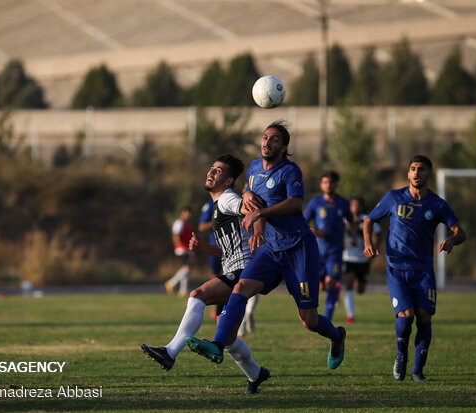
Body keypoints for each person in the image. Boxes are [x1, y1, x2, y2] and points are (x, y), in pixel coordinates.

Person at [186, 120, 346, 371]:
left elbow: (295, 204)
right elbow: (250, 190)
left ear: (283, 147)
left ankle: (337, 337)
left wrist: (262, 215)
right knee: (239, 288)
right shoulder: (252, 167)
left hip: (299, 248)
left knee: (309, 320)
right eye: (264, 137)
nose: (267, 142)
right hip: (272, 250)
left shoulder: (290, 171)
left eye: (274, 139)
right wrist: (247, 194)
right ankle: (217, 345)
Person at [142, 154, 271, 394]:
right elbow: (226, 250)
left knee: (197, 294)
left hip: (242, 272)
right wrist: (203, 248)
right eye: (211, 168)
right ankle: (256, 374)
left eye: (218, 171)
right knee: (229, 340)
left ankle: (170, 352)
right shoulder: (217, 205)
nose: (211, 172)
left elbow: (244, 206)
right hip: (237, 269)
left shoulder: (227, 199)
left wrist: (247, 197)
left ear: (229, 180)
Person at [363, 155, 466, 382]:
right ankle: (401, 355)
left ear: (429, 173)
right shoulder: (393, 197)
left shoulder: (437, 204)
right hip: (397, 269)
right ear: (408, 174)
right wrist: (368, 243)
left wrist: (451, 240)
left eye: (421, 169)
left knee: (425, 317)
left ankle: (418, 372)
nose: (416, 173)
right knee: (406, 316)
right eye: (412, 169)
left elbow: (461, 233)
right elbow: (369, 220)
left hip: (424, 271)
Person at [304, 171, 355, 321]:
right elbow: (304, 223)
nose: (328, 185)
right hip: (317, 250)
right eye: (325, 182)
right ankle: (334, 293)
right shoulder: (315, 202)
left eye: (331, 182)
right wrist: (315, 232)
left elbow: (351, 220)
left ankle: (327, 319)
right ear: (321, 184)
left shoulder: (343, 203)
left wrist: (353, 237)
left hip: (335, 250)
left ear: (336, 184)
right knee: (321, 286)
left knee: (330, 282)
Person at [342, 197, 381, 323]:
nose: (355, 207)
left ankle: (357, 283)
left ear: (362, 206)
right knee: (348, 285)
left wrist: (374, 249)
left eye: (357, 205)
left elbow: (378, 233)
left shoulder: (367, 220)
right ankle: (350, 315)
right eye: (352, 204)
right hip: (348, 257)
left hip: (363, 259)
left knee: (360, 290)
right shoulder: (344, 220)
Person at [165, 206, 194, 297]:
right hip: (181, 248)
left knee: (186, 268)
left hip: (185, 248)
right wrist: (182, 247)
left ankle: (183, 290)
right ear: (183, 212)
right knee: (187, 267)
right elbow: (175, 236)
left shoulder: (186, 223)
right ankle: (171, 283)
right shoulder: (179, 222)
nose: (188, 215)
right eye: (187, 212)